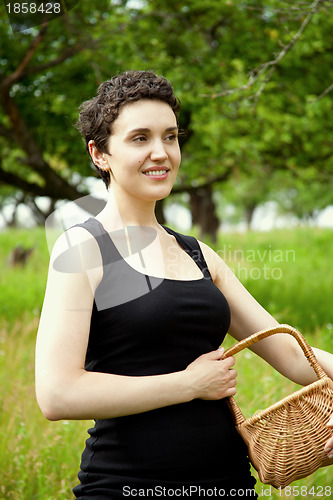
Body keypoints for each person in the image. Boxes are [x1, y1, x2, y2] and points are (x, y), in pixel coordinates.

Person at [35, 70, 333, 499]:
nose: (161, 153)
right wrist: (188, 385)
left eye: (170, 137)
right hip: (125, 486)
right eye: (140, 138)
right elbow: (58, 394)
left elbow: (288, 352)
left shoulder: (199, 254)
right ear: (99, 154)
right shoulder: (83, 249)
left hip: (228, 485)